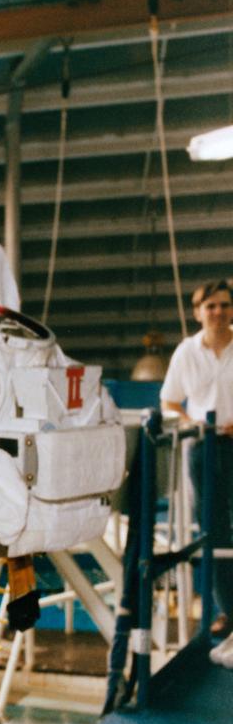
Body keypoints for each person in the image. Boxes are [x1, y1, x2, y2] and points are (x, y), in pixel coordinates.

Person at [161, 279, 233, 667]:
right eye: (211, 306)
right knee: (214, 530)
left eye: (224, 305)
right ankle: (229, 611)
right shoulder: (186, 352)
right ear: (198, 312)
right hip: (203, 449)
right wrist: (192, 422)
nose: (218, 312)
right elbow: (169, 401)